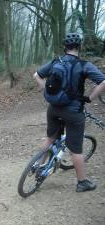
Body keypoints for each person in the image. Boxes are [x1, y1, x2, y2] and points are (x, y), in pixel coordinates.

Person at [33, 33, 105, 192]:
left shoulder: (55, 61)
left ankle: (38, 166)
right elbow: (103, 82)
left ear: (65, 48)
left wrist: (46, 90)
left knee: (50, 138)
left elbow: (36, 75)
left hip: (53, 109)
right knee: (76, 149)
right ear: (79, 47)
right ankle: (82, 182)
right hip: (73, 112)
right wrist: (90, 98)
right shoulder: (84, 65)